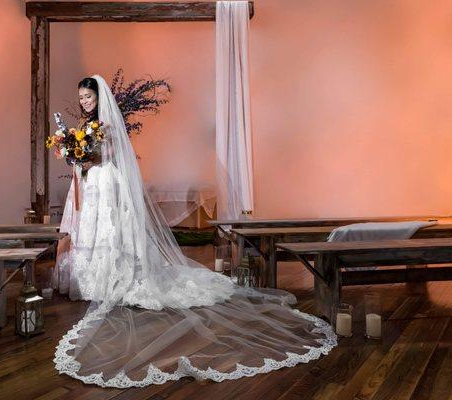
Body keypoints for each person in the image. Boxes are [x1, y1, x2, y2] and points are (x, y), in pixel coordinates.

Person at [51, 75, 336, 388]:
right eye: (80, 97)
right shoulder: (83, 125)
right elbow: (85, 156)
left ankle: (113, 278)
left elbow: (108, 155)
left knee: (108, 232)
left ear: (98, 97)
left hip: (105, 183)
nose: (83, 102)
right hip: (91, 186)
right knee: (90, 232)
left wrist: (83, 157)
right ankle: (90, 279)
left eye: (87, 97)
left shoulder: (104, 125)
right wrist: (73, 154)